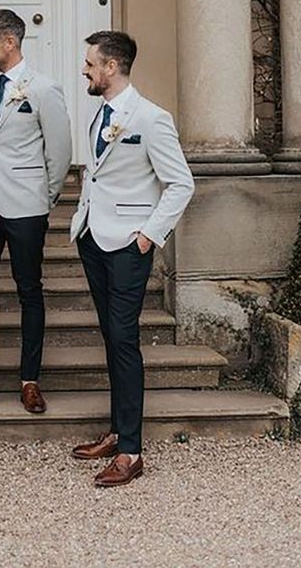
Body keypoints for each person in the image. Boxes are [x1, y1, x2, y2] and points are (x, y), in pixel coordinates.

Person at [70, 30, 194, 487]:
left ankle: (131, 452)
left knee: (123, 339)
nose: (84, 69)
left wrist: (148, 235)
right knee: (112, 336)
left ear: (111, 67)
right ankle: (118, 429)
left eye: (90, 63)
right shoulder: (98, 110)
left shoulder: (151, 118)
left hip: (128, 243)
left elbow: (181, 183)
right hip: (93, 237)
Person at [0, 9, 72, 415]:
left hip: (26, 205)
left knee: (29, 290)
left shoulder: (43, 88)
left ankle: (30, 381)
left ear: (10, 42)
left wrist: (45, 197)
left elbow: (60, 152)